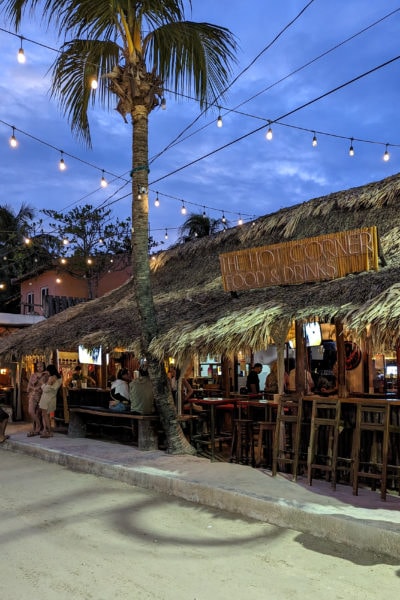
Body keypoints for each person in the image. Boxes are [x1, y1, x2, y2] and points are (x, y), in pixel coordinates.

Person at [39, 364, 62, 438]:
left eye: (47, 371)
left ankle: (49, 432)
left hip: (46, 398)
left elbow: (45, 389)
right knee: (47, 415)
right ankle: (48, 431)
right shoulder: (59, 378)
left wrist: (42, 384)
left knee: (45, 415)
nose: (47, 372)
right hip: (52, 397)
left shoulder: (51, 378)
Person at [26, 361, 48, 437]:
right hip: (33, 395)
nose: (39, 368)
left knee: (39, 413)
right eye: (38, 366)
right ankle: (39, 425)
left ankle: (38, 429)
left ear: (43, 366)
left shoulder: (46, 375)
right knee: (31, 411)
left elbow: (48, 385)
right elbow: (28, 386)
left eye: (41, 366)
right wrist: (34, 388)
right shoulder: (33, 375)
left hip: (42, 395)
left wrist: (40, 387)